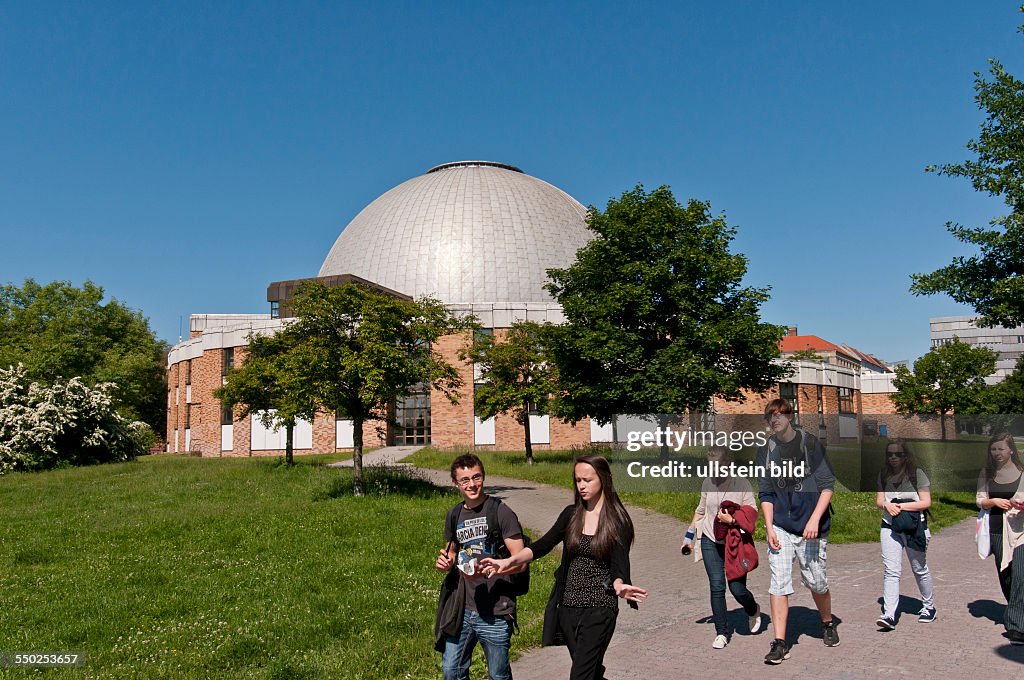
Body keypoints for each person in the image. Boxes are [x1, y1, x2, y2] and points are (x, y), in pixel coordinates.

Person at [481, 454, 648, 680]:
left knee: (580, 675)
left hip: (600, 606)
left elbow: (620, 565)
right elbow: (543, 545)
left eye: (587, 480)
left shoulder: (617, 520)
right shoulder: (571, 515)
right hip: (568, 606)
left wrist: (620, 585)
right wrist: (508, 561)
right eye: (578, 480)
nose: (581, 485)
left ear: (604, 479)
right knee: (590, 672)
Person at [755, 398, 838, 664]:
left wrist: (814, 520)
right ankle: (780, 642)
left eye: (781, 414)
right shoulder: (766, 450)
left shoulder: (809, 444)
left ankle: (826, 622)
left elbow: (827, 485)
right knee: (778, 583)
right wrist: (768, 526)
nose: (776, 419)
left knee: (816, 581)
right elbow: (766, 492)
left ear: (790, 417)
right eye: (771, 416)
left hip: (811, 526)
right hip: (781, 525)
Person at [435, 454, 527, 680]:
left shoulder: (501, 512)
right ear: (455, 483)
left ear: (483, 477)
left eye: (476, 477)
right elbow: (452, 553)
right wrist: (445, 563)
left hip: (496, 609)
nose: (472, 484)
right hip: (462, 607)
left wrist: (500, 567)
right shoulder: (454, 515)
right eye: (464, 480)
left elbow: (522, 561)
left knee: (498, 675)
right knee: (451, 671)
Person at [684, 445, 762, 649]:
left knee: (737, 589)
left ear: (728, 463)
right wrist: (688, 537)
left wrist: (733, 519)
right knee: (717, 586)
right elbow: (700, 511)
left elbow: (752, 512)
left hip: (733, 543)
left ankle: (753, 609)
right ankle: (722, 632)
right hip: (710, 539)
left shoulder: (742, 484)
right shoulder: (707, 483)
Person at [875, 439, 936, 629]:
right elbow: (879, 500)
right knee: (891, 571)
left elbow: (926, 502)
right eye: (890, 454)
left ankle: (929, 606)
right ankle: (889, 614)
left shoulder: (917, 475)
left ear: (906, 456)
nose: (893, 458)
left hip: (914, 528)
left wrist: (901, 506)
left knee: (919, 568)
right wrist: (887, 505)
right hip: (889, 527)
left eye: (898, 454)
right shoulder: (883, 474)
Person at [976, 432, 1024, 645]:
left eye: (1001, 449)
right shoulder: (986, 474)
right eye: (993, 449)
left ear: (1011, 450)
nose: (997, 453)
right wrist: (993, 501)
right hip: (996, 529)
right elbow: (980, 501)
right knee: (1006, 576)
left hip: (1020, 530)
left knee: (1020, 575)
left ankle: (1016, 626)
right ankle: (1017, 610)